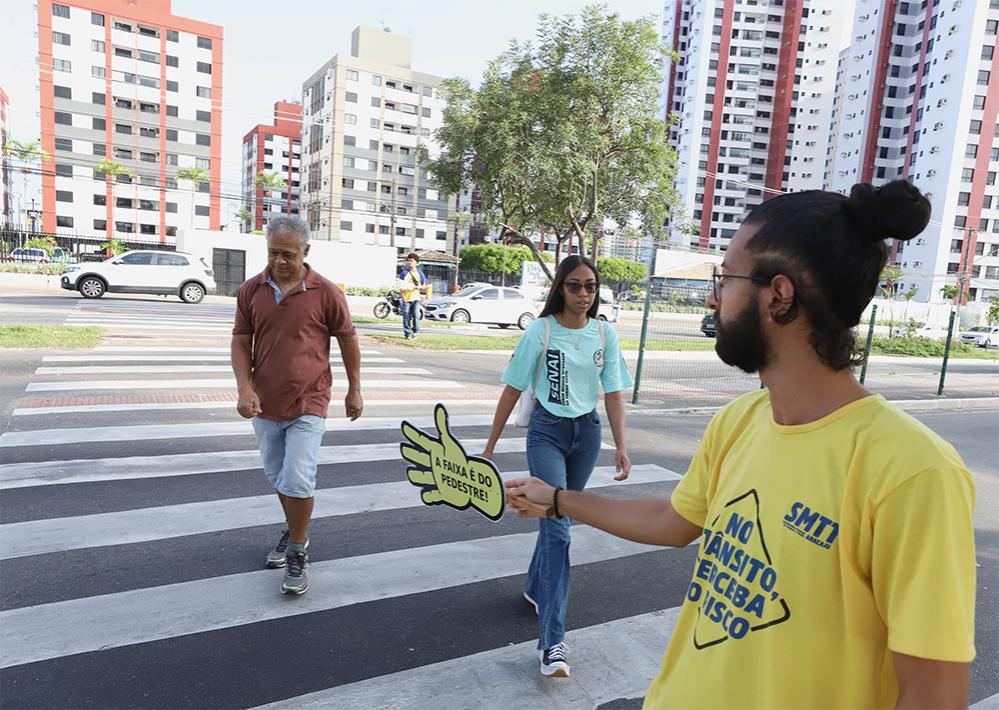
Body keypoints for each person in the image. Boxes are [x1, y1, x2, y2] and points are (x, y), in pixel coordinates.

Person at [506, 181, 976, 707]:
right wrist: (558, 501)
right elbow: (676, 521)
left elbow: (934, 694)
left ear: (779, 296)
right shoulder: (742, 418)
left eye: (723, 278)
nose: (713, 296)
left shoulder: (913, 471)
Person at [482, 255, 634, 678]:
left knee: (555, 520)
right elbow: (512, 389)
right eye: (574, 286)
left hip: (586, 435)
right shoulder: (541, 330)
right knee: (558, 529)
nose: (583, 294)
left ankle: (535, 588)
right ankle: (552, 644)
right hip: (547, 432)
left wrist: (621, 446)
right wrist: (489, 448)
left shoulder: (604, 333)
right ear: (560, 289)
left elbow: (615, 392)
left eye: (590, 286)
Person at [231, 215, 363, 596]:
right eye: (273, 253)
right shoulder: (251, 290)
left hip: (310, 399)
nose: (279, 261)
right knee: (279, 477)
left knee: (299, 477)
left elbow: (348, 340)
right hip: (264, 402)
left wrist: (355, 389)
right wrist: (244, 388)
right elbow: (241, 341)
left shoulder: (326, 292)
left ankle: (297, 550)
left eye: (287, 254)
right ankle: (294, 529)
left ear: (306, 252)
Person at [398, 252, 429, 339]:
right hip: (406, 298)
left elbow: (425, 285)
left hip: (416, 298)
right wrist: (403, 296)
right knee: (406, 315)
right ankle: (407, 333)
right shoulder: (404, 273)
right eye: (408, 261)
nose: (409, 262)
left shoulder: (420, 274)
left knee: (416, 315)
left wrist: (420, 287)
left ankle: (415, 331)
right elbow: (400, 286)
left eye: (411, 261)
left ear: (416, 263)